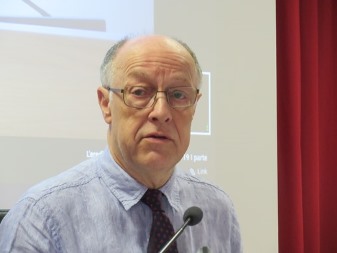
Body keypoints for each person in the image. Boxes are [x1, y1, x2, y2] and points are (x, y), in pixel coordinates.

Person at [0, 35, 242, 252]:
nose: (161, 112)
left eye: (178, 95)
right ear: (106, 105)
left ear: (194, 106)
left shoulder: (215, 209)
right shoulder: (42, 217)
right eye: (139, 92)